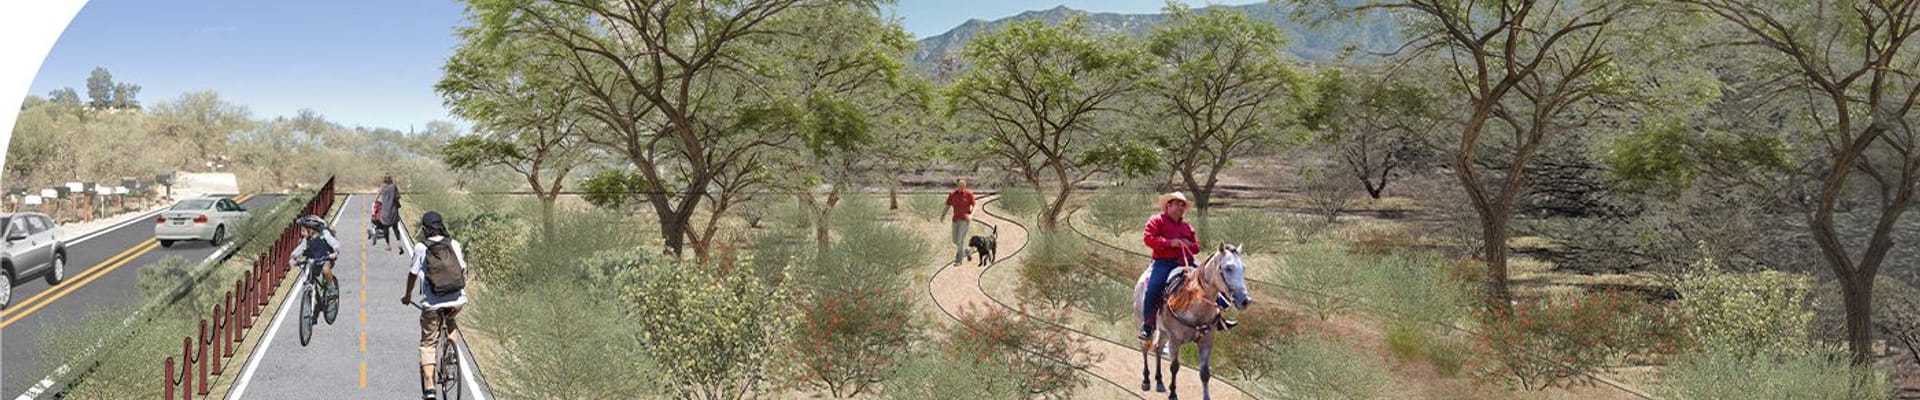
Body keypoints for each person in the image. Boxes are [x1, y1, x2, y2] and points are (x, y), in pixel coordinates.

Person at [1138, 192, 1233, 341]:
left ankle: (1219, 318)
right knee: (1153, 289)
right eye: (1177, 204)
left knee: (1210, 281)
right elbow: (1148, 238)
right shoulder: (1156, 220)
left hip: (1187, 261)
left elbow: (1196, 247)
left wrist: (1188, 244)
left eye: (1183, 205)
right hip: (1164, 262)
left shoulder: (1187, 227)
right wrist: (1170, 243)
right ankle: (1148, 326)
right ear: (1168, 205)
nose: (1181, 208)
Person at [402, 211, 468, 400]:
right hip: (457, 300)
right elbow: (462, 269)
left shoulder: (421, 248)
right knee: (451, 320)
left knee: (428, 343)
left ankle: (430, 388)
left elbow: (413, 274)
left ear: (425, 229)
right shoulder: (454, 244)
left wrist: (407, 296)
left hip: (432, 304)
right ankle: (451, 353)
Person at [289, 214, 340, 305]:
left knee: (325, 270)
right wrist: (293, 257)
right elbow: (301, 248)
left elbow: (334, 243)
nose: (302, 233)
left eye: (303, 230)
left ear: (311, 229)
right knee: (309, 272)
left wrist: (335, 252)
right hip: (314, 260)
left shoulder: (324, 234)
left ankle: (332, 289)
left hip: (326, 258)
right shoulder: (307, 239)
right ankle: (311, 292)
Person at [939, 178, 976, 265]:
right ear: (957, 185)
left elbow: (974, 205)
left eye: (964, 185)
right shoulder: (952, 195)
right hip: (955, 219)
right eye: (960, 185)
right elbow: (947, 206)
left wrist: (971, 215)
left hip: (965, 220)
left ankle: (958, 260)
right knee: (955, 240)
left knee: (960, 240)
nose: (962, 187)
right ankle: (967, 250)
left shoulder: (969, 194)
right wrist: (943, 215)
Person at [375, 174, 403, 253]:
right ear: (391, 179)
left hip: (385, 211)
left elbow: (376, 197)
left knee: (386, 229)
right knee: (395, 228)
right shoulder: (394, 186)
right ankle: (399, 242)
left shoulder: (382, 187)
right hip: (393, 211)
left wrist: (377, 202)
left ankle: (388, 245)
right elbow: (399, 196)